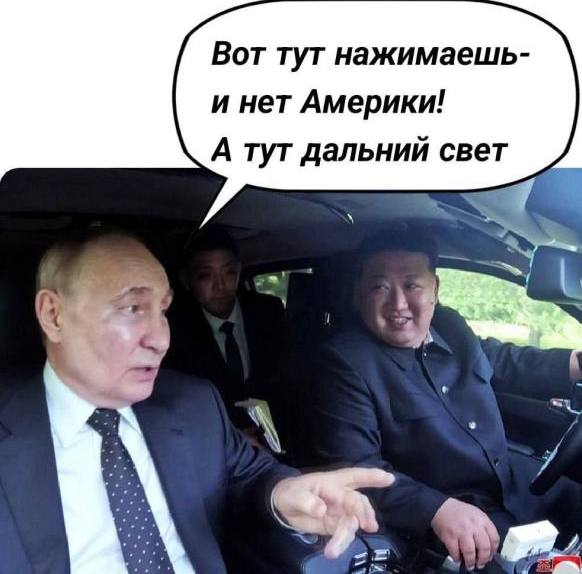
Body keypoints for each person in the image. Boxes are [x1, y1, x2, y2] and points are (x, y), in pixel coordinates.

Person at [0, 229, 394, 574]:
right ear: (53, 315)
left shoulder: (192, 403)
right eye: (133, 308)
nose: (161, 339)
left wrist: (283, 495)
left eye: (163, 310)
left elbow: (252, 477)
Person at [304, 225, 582, 571]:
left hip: (518, 488)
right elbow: (356, 469)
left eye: (412, 285)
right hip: (455, 518)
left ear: (435, 290)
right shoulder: (344, 363)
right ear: (360, 294)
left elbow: (505, 361)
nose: (398, 303)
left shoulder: (448, 325)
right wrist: (436, 509)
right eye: (380, 287)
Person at [165, 228, 285, 440]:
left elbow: (288, 380)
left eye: (229, 272)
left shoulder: (268, 311)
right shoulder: (173, 330)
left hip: (280, 437)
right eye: (205, 275)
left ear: (238, 271)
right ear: (186, 280)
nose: (220, 286)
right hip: (213, 441)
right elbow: (178, 402)